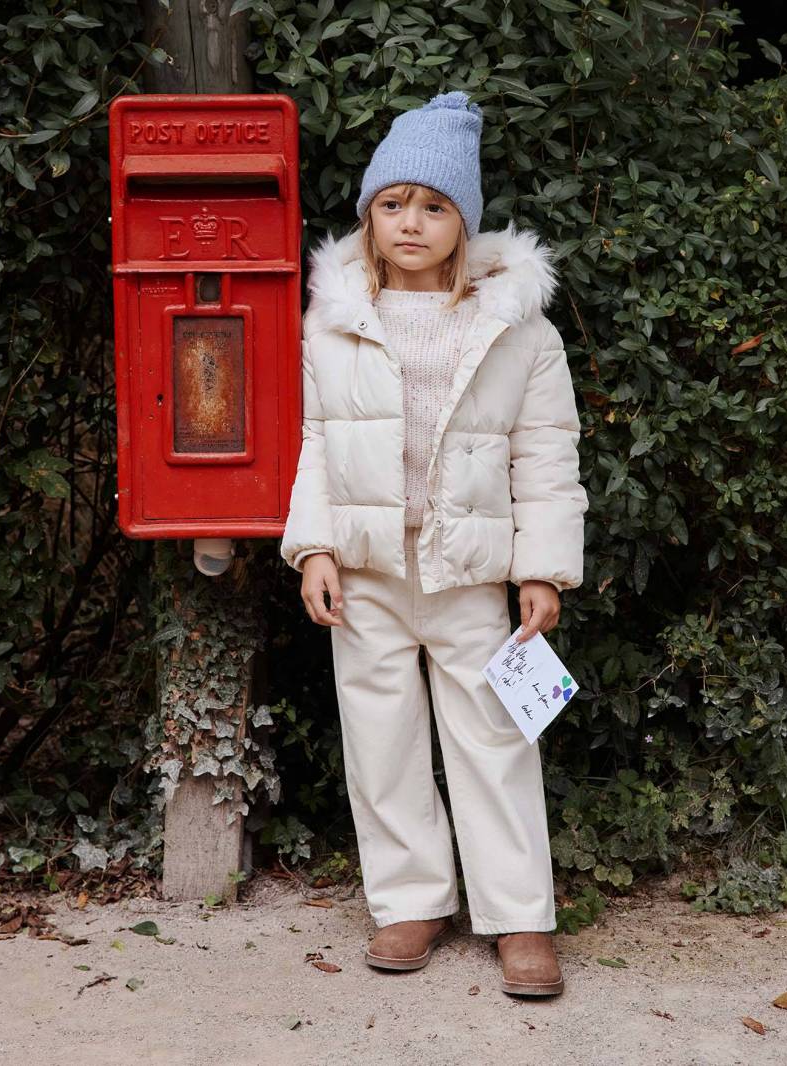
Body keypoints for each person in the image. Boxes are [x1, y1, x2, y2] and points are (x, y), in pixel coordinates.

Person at [280, 90, 588, 997]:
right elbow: (312, 442)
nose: (410, 222)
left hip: (467, 572)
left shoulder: (515, 326)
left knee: (496, 736)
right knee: (380, 739)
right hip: (368, 568)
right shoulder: (330, 320)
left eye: (434, 206)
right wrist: (316, 548)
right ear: (368, 215)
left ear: (465, 221)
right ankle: (410, 899)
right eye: (392, 203)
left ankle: (520, 915)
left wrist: (541, 568)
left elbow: (546, 450)